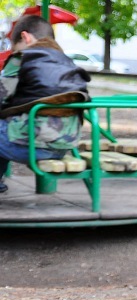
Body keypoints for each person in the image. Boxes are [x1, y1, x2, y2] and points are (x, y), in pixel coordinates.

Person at [0, 15, 89, 194]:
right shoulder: (67, 63)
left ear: (25, 37)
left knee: (8, 126)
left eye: (14, 45)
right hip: (64, 146)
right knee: (10, 125)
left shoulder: (23, 57)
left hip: (32, 146)